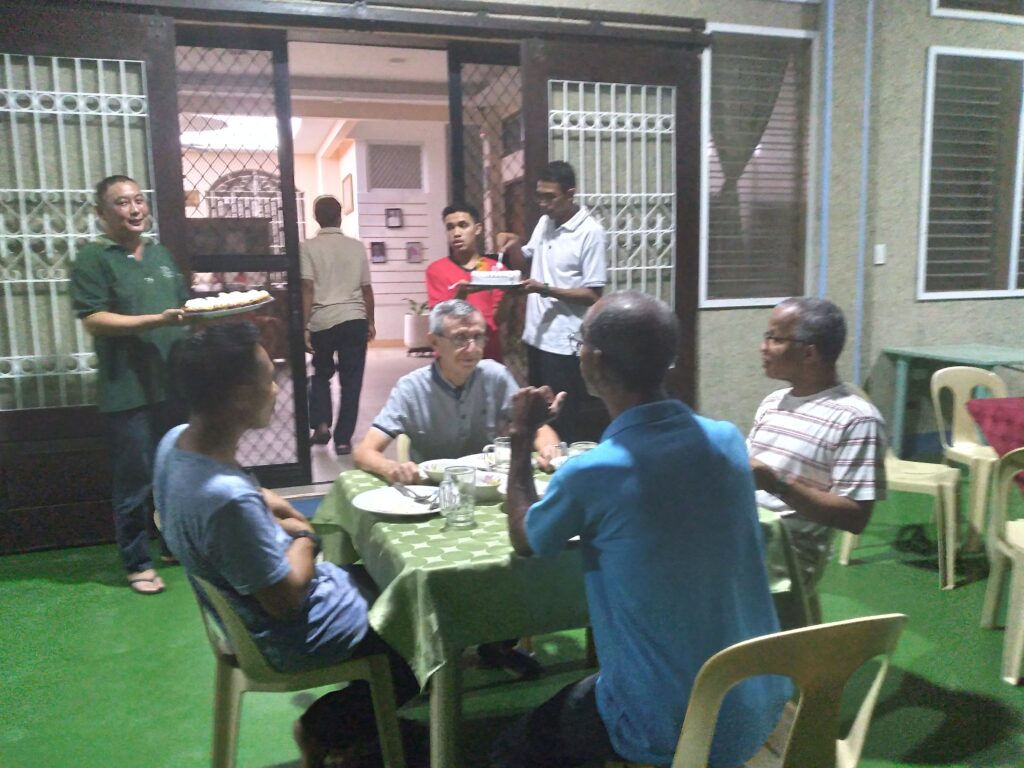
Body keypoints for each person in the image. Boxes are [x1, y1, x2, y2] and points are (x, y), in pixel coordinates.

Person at [496, 290, 790, 768]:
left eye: (580, 342)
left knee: (513, 748)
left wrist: (521, 437)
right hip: (755, 705)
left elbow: (527, 540)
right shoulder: (726, 441)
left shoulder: (595, 471)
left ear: (594, 360)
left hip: (667, 726)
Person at [153, 322, 417, 762]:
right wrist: (306, 537)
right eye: (268, 378)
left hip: (253, 614)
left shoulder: (175, 444)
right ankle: (324, 729)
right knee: (423, 626)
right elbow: (287, 601)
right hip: (291, 633)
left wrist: (271, 503)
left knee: (389, 582)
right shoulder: (227, 502)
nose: (276, 389)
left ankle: (367, 721)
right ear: (241, 395)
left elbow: (245, 493)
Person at [71, 174, 190, 595]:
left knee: (174, 472)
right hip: (127, 390)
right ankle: (137, 561)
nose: (135, 209)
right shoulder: (93, 258)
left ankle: (173, 546)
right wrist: (155, 320)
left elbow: (183, 307)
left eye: (139, 200)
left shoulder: (160, 255)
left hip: (172, 384)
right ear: (101, 213)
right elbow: (94, 319)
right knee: (134, 481)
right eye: (122, 203)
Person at [748, 296, 887, 623]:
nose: (763, 347)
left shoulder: (856, 419)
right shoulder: (773, 402)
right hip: (747, 530)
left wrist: (777, 483)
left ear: (809, 353)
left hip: (783, 554)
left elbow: (855, 516)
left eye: (775, 338)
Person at [353, 299, 562, 484]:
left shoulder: (496, 376)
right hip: (433, 490)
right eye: (460, 338)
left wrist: (549, 449)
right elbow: (364, 451)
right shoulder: (411, 388)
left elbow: (537, 427)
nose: (472, 349)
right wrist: (391, 468)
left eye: (478, 337)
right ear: (434, 342)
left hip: (489, 485)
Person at [496, 161, 607, 443]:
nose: (543, 204)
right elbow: (526, 261)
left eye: (550, 197)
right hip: (536, 337)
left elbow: (593, 295)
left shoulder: (590, 232)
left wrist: (544, 289)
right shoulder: (546, 222)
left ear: (570, 193)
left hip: (565, 343)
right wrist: (514, 245)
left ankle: (566, 464)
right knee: (538, 417)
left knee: (564, 418)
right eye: (540, 196)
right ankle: (541, 461)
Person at [301, 195, 375, 455]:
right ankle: (343, 440)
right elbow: (366, 289)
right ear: (340, 216)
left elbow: (307, 288)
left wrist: (305, 326)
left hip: (322, 321)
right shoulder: (356, 247)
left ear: (315, 217)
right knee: (351, 382)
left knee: (320, 374)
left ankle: (321, 425)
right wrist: (371, 320)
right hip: (354, 319)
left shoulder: (307, 247)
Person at [425, 202, 504, 361]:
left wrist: (509, 295)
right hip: (451, 356)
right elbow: (440, 320)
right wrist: (460, 296)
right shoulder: (436, 270)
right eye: (450, 227)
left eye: (463, 225)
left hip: (486, 351)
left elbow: (499, 319)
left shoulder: (496, 269)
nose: (456, 233)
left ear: (478, 229)